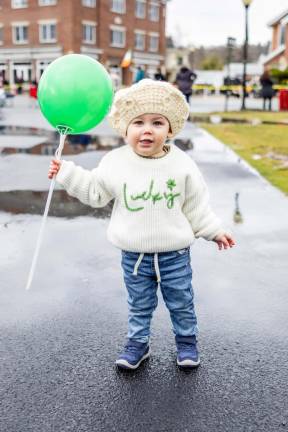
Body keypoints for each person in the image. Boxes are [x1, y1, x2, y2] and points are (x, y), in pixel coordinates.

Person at [48, 79, 235, 370]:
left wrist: (215, 231)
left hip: (175, 255)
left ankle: (187, 343)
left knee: (181, 303)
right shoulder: (115, 162)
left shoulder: (182, 164)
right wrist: (67, 173)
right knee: (139, 305)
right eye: (138, 123)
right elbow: (96, 192)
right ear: (125, 130)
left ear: (170, 130)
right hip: (134, 257)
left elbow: (196, 205)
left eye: (157, 123)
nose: (147, 130)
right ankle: (138, 344)